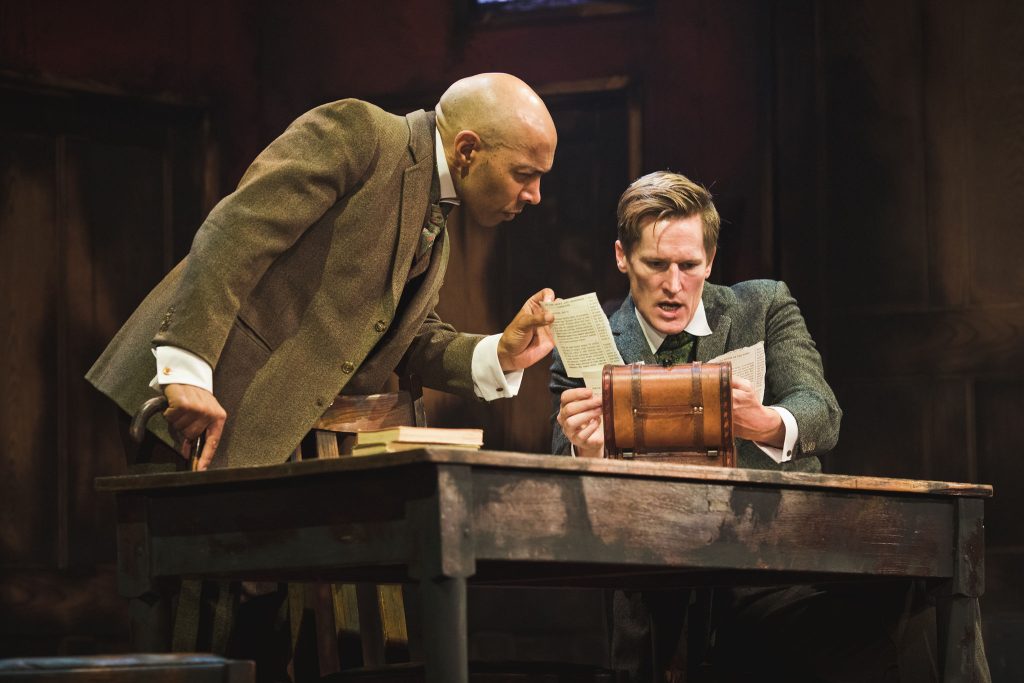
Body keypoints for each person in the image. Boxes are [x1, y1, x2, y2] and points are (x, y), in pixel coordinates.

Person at [549, 171, 983, 682]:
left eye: (689, 266)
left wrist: (763, 422)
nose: (673, 285)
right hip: (668, 586)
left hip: (784, 566)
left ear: (710, 261)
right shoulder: (589, 339)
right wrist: (588, 451)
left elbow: (821, 410)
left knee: (926, 592)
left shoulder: (762, 306)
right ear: (622, 257)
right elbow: (560, 471)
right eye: (655, 264)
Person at [87, 72, 558, 471]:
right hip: (194, 405)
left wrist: (500, 353)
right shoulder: (361, 134)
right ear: (468, 149)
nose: (535, 195)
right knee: (179, 572)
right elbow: (237, 232)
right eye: (523, 174)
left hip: (267, 433)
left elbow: (400, 337)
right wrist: (186, 370)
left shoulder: (437, 222)